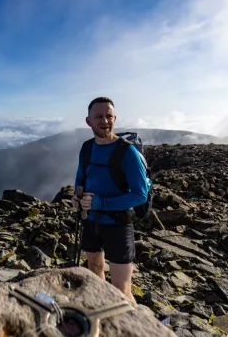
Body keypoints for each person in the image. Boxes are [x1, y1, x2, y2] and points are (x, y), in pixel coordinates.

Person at [72, 96, 150, 304]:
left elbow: (140, 194)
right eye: (98, 116)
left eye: (109, 116)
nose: (104, 121)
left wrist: (101, 203)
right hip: (90, 221)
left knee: (122, 289)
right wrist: (77, 197)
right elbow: (81, 177)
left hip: (118, 224)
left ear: (115, 118)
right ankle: (103, 315)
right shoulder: (87, 148)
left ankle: (133, 326)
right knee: (95, 271)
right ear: (88, 121)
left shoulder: (127, 153)